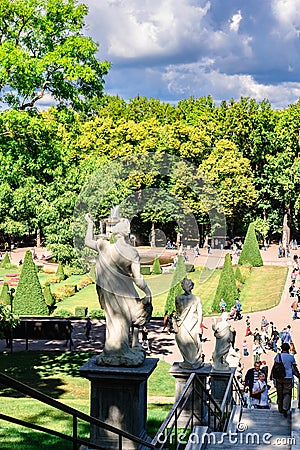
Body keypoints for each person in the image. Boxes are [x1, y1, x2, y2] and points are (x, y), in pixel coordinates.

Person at [85, 212, 152, 367]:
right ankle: (119, 352)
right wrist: (148, 292)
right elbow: (138, 279)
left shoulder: (104, 246)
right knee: (124, 319)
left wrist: (90, 223)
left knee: (113, 320)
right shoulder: (131, 252)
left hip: (108, 291)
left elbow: (88, 241)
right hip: (125, 292)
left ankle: (113, 350)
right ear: (127, 234)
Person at [172, 278, 203, 369]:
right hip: (182, 323)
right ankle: (187, 361)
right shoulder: (178, 298)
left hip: (192, 324)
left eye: (187, 284)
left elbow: (200, 313)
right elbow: (179, 311)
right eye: (184, 284)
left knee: (193, 342)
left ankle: (194, 361)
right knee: (182, 341)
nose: (185, 286)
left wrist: (198, 326)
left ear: (191, 286)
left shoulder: (196, 299)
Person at [271, 342, 300, 417]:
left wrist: (271, 375)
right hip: (288, 377)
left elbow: (274, 366)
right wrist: (298, 375)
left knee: (279, 393)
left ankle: (280, 408)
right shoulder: (291, 357)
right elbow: (294, 367)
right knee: (287, 393)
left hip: (279, 377)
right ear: (288, 349)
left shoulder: (278, 356)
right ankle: (285, 407)